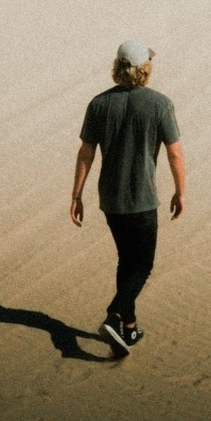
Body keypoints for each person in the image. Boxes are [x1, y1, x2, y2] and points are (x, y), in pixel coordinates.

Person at [70, 39, 186, 357]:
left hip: (111, 199)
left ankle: (128, 329)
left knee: (127, 260)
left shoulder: (98, 104)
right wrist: (180, 191)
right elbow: (175, 152)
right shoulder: (160, 104)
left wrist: (76, 195)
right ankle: (114, 314)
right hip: (143, 200)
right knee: (144, 264)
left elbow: (86, 152)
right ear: (145, 68)